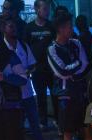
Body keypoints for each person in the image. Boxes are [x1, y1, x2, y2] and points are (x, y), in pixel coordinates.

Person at [0, 16, 50, 140]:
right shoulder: (2, 48)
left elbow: (32, 63)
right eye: (10, 26)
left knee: (34, 120)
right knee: (17, 123)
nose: (13, 29)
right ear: (4, 28)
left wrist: (28, 71)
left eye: (14, 26)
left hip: (27, 90)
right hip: (11, 93)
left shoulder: (23, 44)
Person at [47, 11, 89, 140]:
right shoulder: (52, 49)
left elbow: (85, 64)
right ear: (61, 29)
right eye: (69, 26)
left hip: (80, 91)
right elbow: (61, 71)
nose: (72, 28)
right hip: (65, 94)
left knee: (86, 126)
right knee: (68, 130)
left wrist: (73, 69)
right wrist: (76, 65)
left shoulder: (76, 43)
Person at [25, 0, 54, 128]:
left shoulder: (51, 26)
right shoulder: (29, 27)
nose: (47, 11)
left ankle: (58, 121)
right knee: (40, 96)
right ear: (37, 9)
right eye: (45, 8)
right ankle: (43, 122)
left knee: (55, 95)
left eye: (48, 9)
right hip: (37, 68)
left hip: (52, 68)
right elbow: (25, 47)